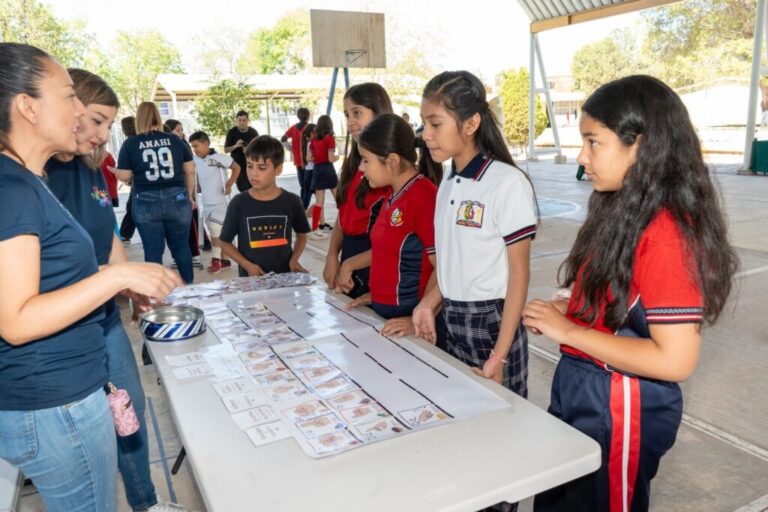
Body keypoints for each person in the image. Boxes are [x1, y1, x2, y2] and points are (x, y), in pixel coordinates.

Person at [523, 75, 739, 512]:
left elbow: (675, 360)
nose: (582, 158)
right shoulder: (622, 207)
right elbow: (621, 301)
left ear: (639, 146)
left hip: (620, 403)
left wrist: (569, 329)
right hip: (589, 386)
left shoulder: (666, 235)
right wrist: (577, 308)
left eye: (593, 142)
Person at [0, 42, 181, 512]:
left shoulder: (30, 180)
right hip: (53, 398)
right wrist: (117, 276)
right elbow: (16, 319)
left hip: (64, 381)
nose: (80, 112)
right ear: (27, 107)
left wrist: (124, 278)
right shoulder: (14, 188)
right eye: (69, 97)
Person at [45, 68, 186, 512]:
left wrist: (133, 289)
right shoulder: (35, 177)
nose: (106, 135)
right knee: (84, 444)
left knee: (131, 413)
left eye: (110, 124)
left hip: (104, 324)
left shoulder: (87, 170)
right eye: (99, 121)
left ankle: (146, 501)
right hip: (60, 338)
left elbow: (108, 239)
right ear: (68, 110)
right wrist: (120, 279)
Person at [413, 72, 537, 512]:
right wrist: (430, 302)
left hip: (492, 325)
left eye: (435, 123)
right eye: (423, 123)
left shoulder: (506, 184)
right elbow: (449, 260)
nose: (425, 134)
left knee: (500, 442)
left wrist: (500, 356)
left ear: (470, 124)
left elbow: (518, 277)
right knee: (462, 433)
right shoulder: (448, 181)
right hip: (453, 321)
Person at [345, 114, 440, 340]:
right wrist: (377, 295)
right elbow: (390, 251)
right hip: (387, 313)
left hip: (408, 320)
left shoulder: (424, 197)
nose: (361, 168)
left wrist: (417, 318)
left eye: (366, 160)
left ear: (393, 161)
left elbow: (443, 268)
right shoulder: (392, 193)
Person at [323, 83, 393, 299]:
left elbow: (394, 242)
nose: (351, 121)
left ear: (379, 113)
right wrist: (332, 255)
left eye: (357, 113)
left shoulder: (389, 167)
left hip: (376, 258)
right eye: (347, 115)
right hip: (350, 253)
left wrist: (350, 264)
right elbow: (343, 218)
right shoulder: (354, 163)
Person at [113, 102, 196, 283]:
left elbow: (125, 175)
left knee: (152, 249)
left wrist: (115, 171)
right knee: (181, 247)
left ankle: (157, 296)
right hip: (177, 196)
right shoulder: (175, 139)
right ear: (158, 117)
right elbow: (190, 170)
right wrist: (189, 195)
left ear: (139, 118)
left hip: (145, 198)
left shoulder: (131, 143)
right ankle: (189, 289)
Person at [219, 135, 310, 277]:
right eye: (249, 166)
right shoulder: (239, 203)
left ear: (278, 170)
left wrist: (294, 259)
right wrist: (247, 265)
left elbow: (302, 235)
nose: (253, 173)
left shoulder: (292, 201)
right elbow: (224, 242)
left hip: (283, 279)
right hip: (251, 282)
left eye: (262, 167)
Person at [188, 130, 240, 274]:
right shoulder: (194, 160)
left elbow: (237, 168)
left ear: (206, 143)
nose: (195, 149)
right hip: (206, 203)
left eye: (196, 146)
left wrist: (229, 184)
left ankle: (215, 261)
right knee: (215, 233)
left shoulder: (219, 158)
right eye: (193, 147)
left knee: (215, 230)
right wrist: (191, 195)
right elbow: (192, 176)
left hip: (220, 202)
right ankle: (225, 261)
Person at [164, 119, 203, 267]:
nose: (181, 133)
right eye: (178, 130)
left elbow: (190, 171)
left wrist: (190, 193)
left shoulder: (183, 145)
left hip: (185, 190)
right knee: (174, 226)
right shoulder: (170, 145)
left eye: (181, 130)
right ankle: (178, 255)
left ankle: (194, 254)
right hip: (172, 192)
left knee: (189, 223)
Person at [306, 114, 338, 231]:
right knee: (339, 199)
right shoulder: (330, 138)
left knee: (319, 201)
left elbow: (309, 158)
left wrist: (318, 159)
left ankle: (316, 227)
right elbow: (330, 158)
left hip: (317, 170)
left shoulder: (314, 140)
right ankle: (343, 224)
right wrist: (337, 158)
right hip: (328, 170)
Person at [281, 107, 311, 208]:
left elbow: (283, 139)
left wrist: (292, 149)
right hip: (308, 161)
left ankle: (301, 206)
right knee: (308, 187)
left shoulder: (293, 128)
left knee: (303, 186)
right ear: (309, 116)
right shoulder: (310, 128)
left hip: (298, 160)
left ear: (297, 117)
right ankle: (303, 207)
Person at [224, 110, 259, 192]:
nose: (242, 122)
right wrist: (235, 146)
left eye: (244, 120)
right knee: (244, 190)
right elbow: (226, 149)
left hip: (253, 166)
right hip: (238, 167)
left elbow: (259, 149)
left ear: (247, 121)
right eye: (239, 120)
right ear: (236, 121)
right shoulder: (231, 132)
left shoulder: (253, 132)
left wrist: (249, 150)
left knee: (255, 189)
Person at [119, 115, 137, 242]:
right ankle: (125, 233)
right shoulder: (140, 139)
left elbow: (123, 171)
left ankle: (125, 233)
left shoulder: (129, 142)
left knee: (131, 207)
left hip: (137, 181)